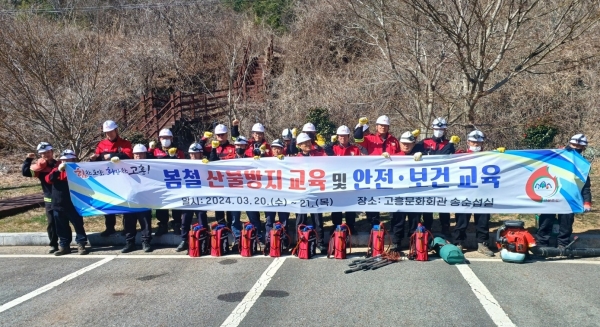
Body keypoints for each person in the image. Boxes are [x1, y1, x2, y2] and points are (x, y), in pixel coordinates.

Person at [536, 133, 592, 249]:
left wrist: (587, 201)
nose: (575, 148)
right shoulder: (556, 156)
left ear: (583, 148)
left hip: (569, 198)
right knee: (546, 220)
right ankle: (542, 244)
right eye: (573, 145)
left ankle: (563, 244)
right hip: (552, 194)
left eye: (578, 147)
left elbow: (585, 185)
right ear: (569, 143)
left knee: (566, 222)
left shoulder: (582, 165)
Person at [451, 130, 502, 256]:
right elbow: (445, 158)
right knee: (461, 220)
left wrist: (503, 156)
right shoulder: (460, 154)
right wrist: (450, 144)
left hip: (482, 193)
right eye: (473, 142)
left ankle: (482, 244)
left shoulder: (489, 156)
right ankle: (459, 242)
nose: (476, 144)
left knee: (483, 220)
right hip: (464, 192)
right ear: (468, 142)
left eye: (478, 142)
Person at [354, 115, 401, 226]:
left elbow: (400, 155)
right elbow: (357, 138)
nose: (383, 127)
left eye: (385, 125)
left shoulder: (394, 140)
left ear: (388, 127)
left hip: (390, 175)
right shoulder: (370, 139)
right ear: (376, 127)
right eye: (381, 125)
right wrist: (360, 126)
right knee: (373, 200)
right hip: (374, 175)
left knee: (391, 199)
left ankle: (393, 224)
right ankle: (373, 225)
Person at [382, 131, 424, 252]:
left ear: (414, 143)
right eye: (404, 143)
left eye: (409, 143)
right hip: (398, 194)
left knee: (414, 219)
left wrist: (423, 155)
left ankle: (413, 242)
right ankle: (396, 243)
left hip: (414, 194)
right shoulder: (393, 157)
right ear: (399, 143)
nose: (406, 146)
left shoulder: (420, 157)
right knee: (397, 220)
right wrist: (382, 161)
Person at [418, 117, 459, 237]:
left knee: (443, 204)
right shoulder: (424, 142)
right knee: (427, 205)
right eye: (437, 128)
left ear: (445, 130)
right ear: (432, 128)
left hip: (442, 179)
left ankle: (445, 227)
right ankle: (428, 227)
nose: (439, 130)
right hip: (426, 179)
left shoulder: (449, 144)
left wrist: (450, 144)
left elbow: (444, 156)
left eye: (441, 129)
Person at [202, 124, 241, 250]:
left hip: (231, 183)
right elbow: (197, 149)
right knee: (219, 207)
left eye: (222, 135)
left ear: (226, 135)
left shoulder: (232, 147)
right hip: (217, 184)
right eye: (218, 135)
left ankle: (232, 231)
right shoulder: (212, 147)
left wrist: (235, 128)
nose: (220, 137)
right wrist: (203, 139)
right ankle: (221, 229)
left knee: (231, 208)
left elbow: (239, 142)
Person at [92, 120, 132, 237]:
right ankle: (110, 227)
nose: (109, 134)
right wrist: (95, 158)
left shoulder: (125, 143)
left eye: (111, 131)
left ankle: (127, 228)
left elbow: (128, 155)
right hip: (108, 179)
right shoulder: (101, 144)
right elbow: (98, 157)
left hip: (122, 178)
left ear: (116, 130)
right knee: (108, 202)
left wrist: (111, 155)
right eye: (107, 132)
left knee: (125, 203)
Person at [232, 122, 272, 242]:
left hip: (256, 183)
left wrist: (263, 155)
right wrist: (235, 127)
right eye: (256, 133)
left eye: (260, 133)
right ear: (252, 134)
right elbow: (236, 138)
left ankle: (259, 236)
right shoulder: (247, 144)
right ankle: (237, 239)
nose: (258, 136)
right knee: (235, 216)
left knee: (253, 213)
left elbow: (272, 162)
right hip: (239, 184)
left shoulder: (268, 146)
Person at [46, 150, 89, 256]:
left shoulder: (78, 171)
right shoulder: (56, 170)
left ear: (73, 159)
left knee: (78, 225)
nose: (64, 161)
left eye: (67, 159)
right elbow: (48, 179)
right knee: (61, 227)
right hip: (58, 204)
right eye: (63, 160)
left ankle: (81, 244)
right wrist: (57, 171)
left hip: (73, 204)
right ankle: (64, 246)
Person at [22, 142, 59, 253]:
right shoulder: (39, 169)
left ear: (52, 152)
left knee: (62, 222)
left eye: (48, 152)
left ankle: (64, 243)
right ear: (40, 155)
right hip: (49, 199)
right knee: (51, 223)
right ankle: (53, 245)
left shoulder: (60, 164)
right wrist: (28, 160)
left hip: (62, 198)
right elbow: (25, 172)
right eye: (43, 153)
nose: (46, 155)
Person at [324, 125, 362, 235]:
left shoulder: (355, 149)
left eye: (345, 136)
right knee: (337, 204)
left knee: (351, 204)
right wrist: (330, 144)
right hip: (337, 180)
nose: (343, 138)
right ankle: (336, 225)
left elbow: (361, 163)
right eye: (340, 136)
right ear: (337, 137)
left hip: (351, 180)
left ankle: (351, 226)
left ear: (349, 136)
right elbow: (325, 156)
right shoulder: (333, 149)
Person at [149, 128, 185, 236]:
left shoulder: (178, 151)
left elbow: (184, 165)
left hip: (175, 182)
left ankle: (177, 224)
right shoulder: (155, 151)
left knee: (176, 205)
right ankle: (163, 225)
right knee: (161, 205)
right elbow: (146, 161)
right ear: (159, 139)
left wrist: (174, 157)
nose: (165, 140)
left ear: (172, 138)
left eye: (167, 138)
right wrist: (150, 150)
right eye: (163, 138)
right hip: (160, 183)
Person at [118, 144, 153, 253]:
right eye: (136, 154)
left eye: (141, 153)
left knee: (145, 223)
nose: (139, 156)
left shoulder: (151, 166)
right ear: (133, 155)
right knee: (129, 222)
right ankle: (130, 243)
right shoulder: (126, 165)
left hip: (145, 199)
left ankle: (146, 242)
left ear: (145, 154)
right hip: (130, 199)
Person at [295, 132, 327, 253]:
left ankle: (320, 242)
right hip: (302, 192)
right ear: (299, 145)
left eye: (308, 142)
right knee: (301, 219)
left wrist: (324, 147)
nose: (308, 144)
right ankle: (300, 242)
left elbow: (329, 161)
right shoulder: (295, 159)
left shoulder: (318, 155)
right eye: (304, 143)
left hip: (315, 191)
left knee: (317, 219)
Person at [176, 142, 209, 252]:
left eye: (195, 154)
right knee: (185, 219)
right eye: (191, 154)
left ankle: (204, 239)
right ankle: (184, 240)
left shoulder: (206, 164)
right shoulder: (185, 165)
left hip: (201, 197)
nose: (193, 156)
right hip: (188, 196)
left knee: (202, 218)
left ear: (201, 154)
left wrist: (207, 165)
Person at [264, 139, 289, 252]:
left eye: (278, 148)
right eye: (274, 148)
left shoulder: (288, 160)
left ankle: (283, 241)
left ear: (282, 149)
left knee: (284, 220)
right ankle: (269, 241)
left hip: (283, 195)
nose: (276, 150)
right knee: (269, 220)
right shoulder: (265, 161)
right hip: (270, 196)